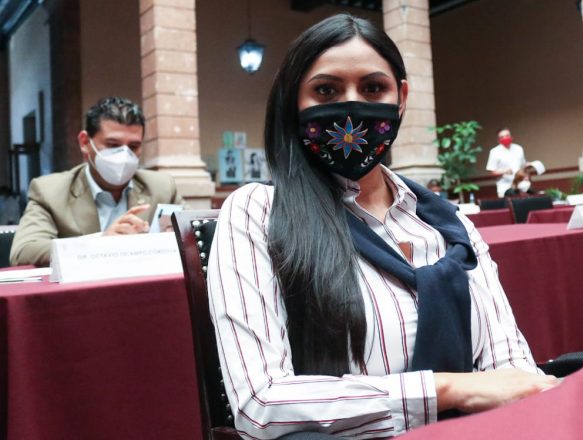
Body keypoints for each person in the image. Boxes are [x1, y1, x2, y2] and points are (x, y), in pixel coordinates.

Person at [207, 14, 557, 439]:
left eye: (373, 88)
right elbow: (259, 403)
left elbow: (512, 369)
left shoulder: (450, 224)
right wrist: (448, 389)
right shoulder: (258, 212)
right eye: (326, 90)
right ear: (292, 100)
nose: (352, 107)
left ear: (401, 98)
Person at [9, 96, 183, 267]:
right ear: (85, 142)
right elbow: (24, 251)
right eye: (112, 145)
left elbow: (193, 233)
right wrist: (100, 243)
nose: (124, 155)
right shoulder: (50, 191)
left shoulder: (162, 187)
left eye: (133, 147)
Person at [486, 128, 526, 197]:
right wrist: (504, 172)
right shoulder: (494, 152)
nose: (505, 138)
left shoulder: (519, 148)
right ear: (498, 140)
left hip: (521, 184)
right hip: (505, 187)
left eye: (507, 136)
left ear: (511, 137)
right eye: (502, 137)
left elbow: (523, 165)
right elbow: (492, 172)